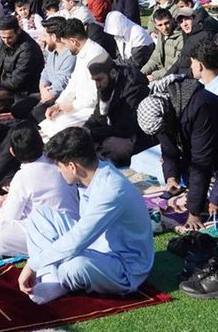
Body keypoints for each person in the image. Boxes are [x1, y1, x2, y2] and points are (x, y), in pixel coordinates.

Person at [18, 127, 155, 304]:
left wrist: (32, 264)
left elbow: (78, 238)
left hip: (124, 267)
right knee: (39, 216)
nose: (59, 172)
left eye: (59, 166)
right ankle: (51, 278)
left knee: (74, 267)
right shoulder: (92, 174)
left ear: (72, 166)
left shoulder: (111, 189)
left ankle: (56, 278)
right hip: (95, 247)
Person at [138, 73, 218, 227]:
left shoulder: (199, 106)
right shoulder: (165, 110)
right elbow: (168, 147)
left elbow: (202, 161)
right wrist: (171, 177)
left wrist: (194, 213)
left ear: (167, 115)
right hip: (201, 150)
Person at [0, 126, 79, 258]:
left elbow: (10, 218)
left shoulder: (23, 176)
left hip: (53, 233)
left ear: (12, 152)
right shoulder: (58, 163)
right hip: (75, 226)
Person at [82, 57, 152, 165]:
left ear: (113, 73)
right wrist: (86, 129)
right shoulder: (106, 85)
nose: (97, 84)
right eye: (95, 80)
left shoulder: (134, 87)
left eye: (99, 79)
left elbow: (126, 128)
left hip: (139, 137)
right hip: (119, 130)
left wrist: (93, 133)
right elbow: (99, 115)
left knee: (111, 147)